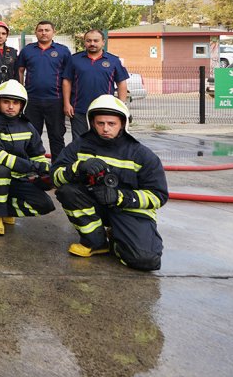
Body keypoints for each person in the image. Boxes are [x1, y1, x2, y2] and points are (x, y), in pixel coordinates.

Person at [51, 94, 166, 270]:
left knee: (146, 260)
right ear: (92, 123)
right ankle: (96, 242)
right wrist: (77, 168)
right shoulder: (80, 146)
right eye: (100, 123)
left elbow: (158, 196)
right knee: (68, 191)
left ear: (123, 124)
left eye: (111, 124)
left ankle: (116, 241)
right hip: (94, 204)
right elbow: (55, 177)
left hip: (129, 210)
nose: (105, 129)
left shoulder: (141, 155)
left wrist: (120, 197)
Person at [0, 80, 55, 236]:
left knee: (45, 204)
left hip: (17, 176)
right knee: (1, 170)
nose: (10, 106)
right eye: (6, 102)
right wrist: (33, 167)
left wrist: (46, 172)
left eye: (15, 102)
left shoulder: (28, 127)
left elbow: (38, 155)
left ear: (22, 105)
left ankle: (6, 209)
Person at [17, 19, 72, 159]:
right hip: (32, 101)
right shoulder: (27, 50)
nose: (43, 33)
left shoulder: (63, 51)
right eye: (40, 30)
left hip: (55, 101)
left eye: (47, 30)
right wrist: (21, 93)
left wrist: (67, 102)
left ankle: (58, 168)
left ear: (54, 32)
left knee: (57, 136)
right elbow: (20, 71)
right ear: (35, 32)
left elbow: (68, 78)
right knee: (31, 136)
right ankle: (32, 167)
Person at [63, 29, 129, 139]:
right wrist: (66, 104)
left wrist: (121, 105)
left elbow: (121, 83)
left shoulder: (114, 60)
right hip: (79, 110)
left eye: (96, 41)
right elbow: (66, 81)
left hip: (104, 109)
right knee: (79, 141)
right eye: (88, 41)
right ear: (84, 42)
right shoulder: (74, 59)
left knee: (103, 140)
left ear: (103, 42)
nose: (92, 43)